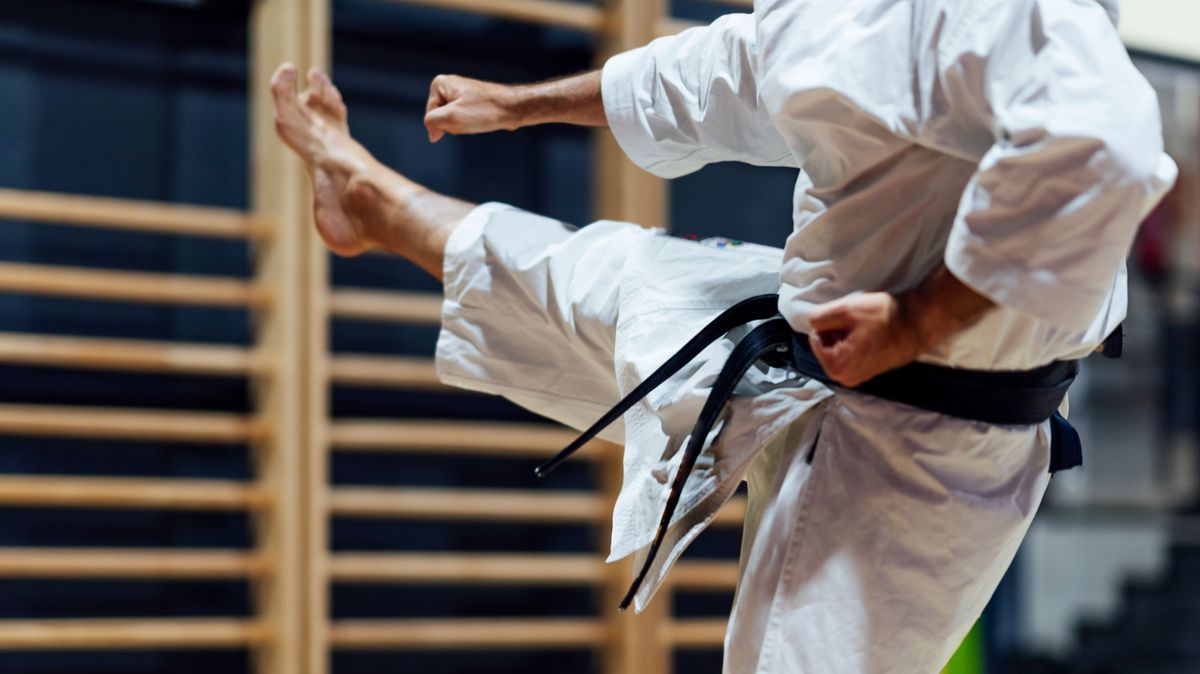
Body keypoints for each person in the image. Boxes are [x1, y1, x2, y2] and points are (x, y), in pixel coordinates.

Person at [270, 0, 1176, 670]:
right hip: (812, 341)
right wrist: (519, 104)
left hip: (925, 451)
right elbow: (732, 72)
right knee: (602, 285)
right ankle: (374, 205)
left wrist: (914, 321)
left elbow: (1105, 151)